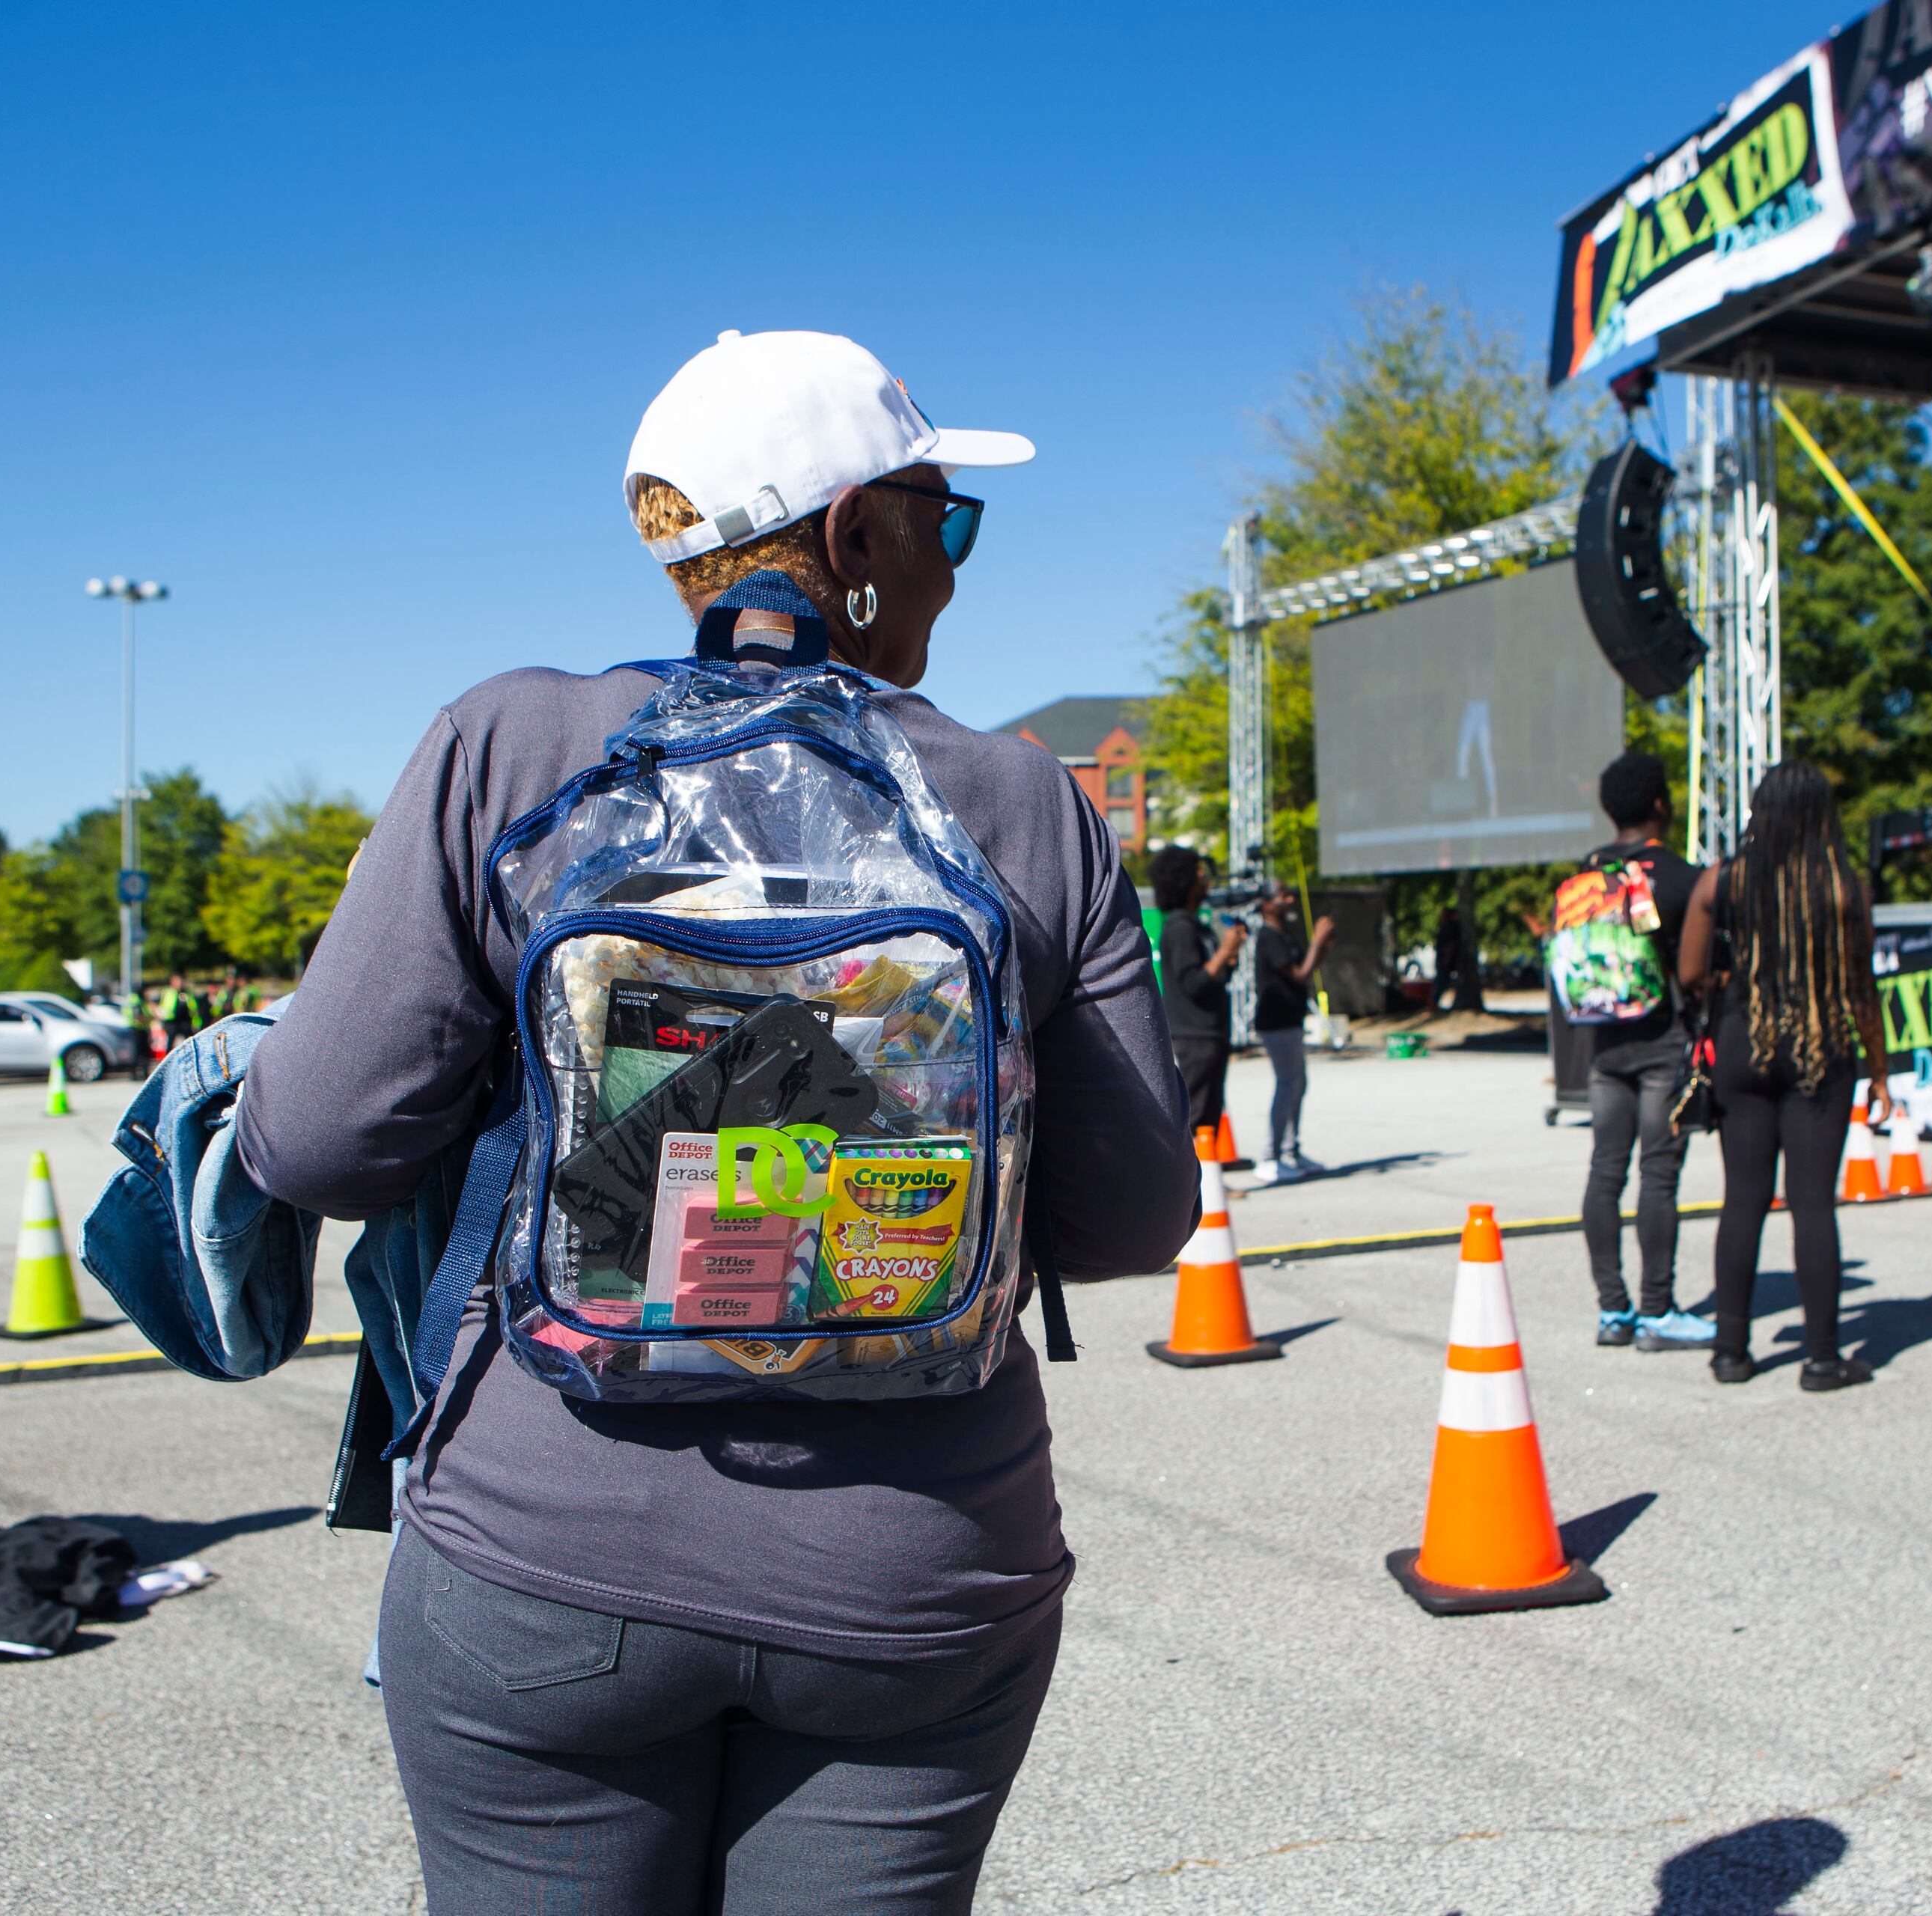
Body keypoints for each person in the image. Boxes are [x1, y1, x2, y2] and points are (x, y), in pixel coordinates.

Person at [234, 327, 1198, 1913]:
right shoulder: (1024, 801)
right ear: (850, 538)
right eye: (942, 518)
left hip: (544, 1550)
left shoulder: (515, 747)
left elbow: (323, 1141)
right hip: (913, 1571)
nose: (954, 565)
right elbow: (1133, 1217)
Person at [1675, 761, 1888, 1391]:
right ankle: (1823, 1358)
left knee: (1743, 1199)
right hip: (1819, 1047)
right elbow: (1861, 989)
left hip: (1746, 1038)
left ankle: (1730, 1350)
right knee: (1813, 1203)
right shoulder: (1845, 887)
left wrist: (1729, 986)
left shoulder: (1726, 881)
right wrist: (1879, 1072)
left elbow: (1690, 973)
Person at [1567, 753, 1710, 1352]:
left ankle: (1612, 1310)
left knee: (1605, 1172)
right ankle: (1657, 1311)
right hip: (1662, 1043)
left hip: (1603, 1044)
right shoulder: (1681, 876)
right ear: (1660, 804)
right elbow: (1699, 970)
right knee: (1658, 1174)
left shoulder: (1586, 873)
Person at [1151, 845, 1241, 1141]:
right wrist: (1224, 952)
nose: (1206, 881)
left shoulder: (1197, 927)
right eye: (1199, 875)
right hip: (1194, 1035)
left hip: (1211, 1031)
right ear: (1185, 882)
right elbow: (1193, 983)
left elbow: (1214, 977)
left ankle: (1213, 1181)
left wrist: (1229, 958)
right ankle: (1197, 1185)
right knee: (1197, 1116)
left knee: (1210, 1115)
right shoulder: (1179, 928)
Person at [1247, 882, 1335, 1184]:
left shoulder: (1283, 933)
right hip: (1276, 1021)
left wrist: (1321, 948)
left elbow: (1305, 970)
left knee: (1298, 1084)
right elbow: (1297, 974)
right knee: (1287, 1084)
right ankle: (1270, 1156)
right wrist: (1316, 943)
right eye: (1282, 895)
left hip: (1291, 1018)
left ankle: (1291, 1151)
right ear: (1267, 904)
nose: (1289, 900)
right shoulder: (1269, 937)